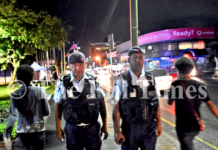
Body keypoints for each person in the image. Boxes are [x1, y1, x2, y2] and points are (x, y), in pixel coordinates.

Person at [53, 52, 108, 150]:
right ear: (69, 66)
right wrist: (58, 128)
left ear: (85, 64)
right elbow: (58, 107)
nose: (77, 68)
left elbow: (101, 104)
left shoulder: (93, 81)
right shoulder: (63, 83)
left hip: (92, 130)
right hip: (73, 130)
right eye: (74, 65)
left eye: (81, 64)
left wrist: (105, 125)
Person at [111, 46, 162, 150]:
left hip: (149, 127)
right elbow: (116, 106)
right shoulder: (122, 79)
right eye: (135, 57)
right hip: (130, 128)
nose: (138, 60)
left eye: (140, 57)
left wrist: (159, 123)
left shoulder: (151, 79)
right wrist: (117, 131)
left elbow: (156, 103)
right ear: (129, 60)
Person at [168, 57, 218, 150]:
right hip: (196, 125)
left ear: (178, 70)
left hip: (183, 127)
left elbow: (170, 102)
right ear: (191, 69)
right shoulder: (200, 85)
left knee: (186, 145)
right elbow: (210, 105)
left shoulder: (175, 85)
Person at [3, 64, 50, 150]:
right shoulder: (40, 91)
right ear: (31, 77)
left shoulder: (14, 95)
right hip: (38, 130)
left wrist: (7, 133)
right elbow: (46, 111)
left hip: (23, 132)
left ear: (18, 79)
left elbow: (13, 115)